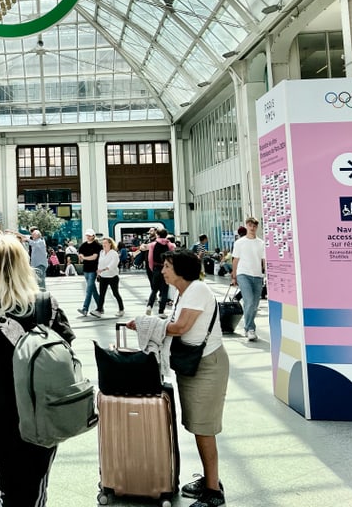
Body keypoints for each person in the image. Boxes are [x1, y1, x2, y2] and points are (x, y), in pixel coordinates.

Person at [0, 233, 75, 506]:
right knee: (36, 479)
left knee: (9, 479)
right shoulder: (46, 304)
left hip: (3, 409)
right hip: (44, 407)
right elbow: (67, 351)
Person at [128, 249, 228, 507]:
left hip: (207, 365)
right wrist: (151, 322)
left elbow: (182, 327)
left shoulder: (197, 290)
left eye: (167, 266)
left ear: (181, 269)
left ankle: (214, 491)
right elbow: (175, 322)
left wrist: (145, 324)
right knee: (196, 425)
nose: (162, 270)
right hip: (193, 365)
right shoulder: (183, 292)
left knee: (204, 428)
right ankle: (210, 479)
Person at [231, 217, 266, 341]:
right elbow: (235, 260)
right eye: (250, 225)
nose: (252, 228)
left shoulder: (261, 243)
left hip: (257, 276)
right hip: (243, 274)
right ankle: (250, 328)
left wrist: (266, 274)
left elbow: (264, 261)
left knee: (254, 304)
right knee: (250, 301)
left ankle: (248, 327)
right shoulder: (239, 243)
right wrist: (234, 276)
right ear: (246, 226)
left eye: (255, 226)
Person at [91, 237, 124, 318]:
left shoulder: (114, 253)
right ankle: (99, 310)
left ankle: (121, 309)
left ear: (110, 244)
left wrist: (104, 269)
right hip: (103, 276)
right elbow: (100, 263)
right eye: (103, 243)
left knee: (115, 293)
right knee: (102, 294)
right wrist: (99, 272)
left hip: (112, 276)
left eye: (105, 243)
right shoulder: (101, 252)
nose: (104, 244)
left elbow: (113, 264)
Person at [145, 229, 173, 315]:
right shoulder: (170, 245)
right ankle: (161, 311)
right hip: (166, 269)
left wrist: (152, 268)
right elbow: (173, 258)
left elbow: (150, 258)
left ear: (157, 235)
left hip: (156, 268)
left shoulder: (153, 244)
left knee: (154, 289)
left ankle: (149, 306)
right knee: (164, 291)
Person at [77, 229, 101, 316]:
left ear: (93, 236)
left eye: (90, 235)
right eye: (87, 235)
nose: (88, 237)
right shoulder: (83, 245)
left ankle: (85, 308)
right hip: (86, 269)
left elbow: (94, 257)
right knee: (92, 289)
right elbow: (80, 255)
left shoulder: (97, 245)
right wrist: (83, 257)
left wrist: (84, 257)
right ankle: (100, 307)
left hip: (93, 269)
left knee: (89, 290)